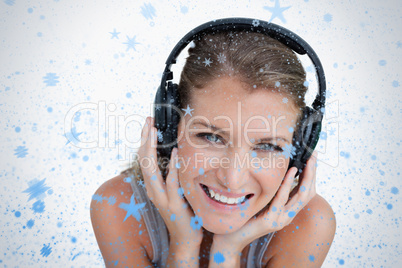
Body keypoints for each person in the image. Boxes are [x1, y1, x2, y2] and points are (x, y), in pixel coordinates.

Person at [90, 23, 336, 268]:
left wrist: (228, 250)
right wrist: (184, 243)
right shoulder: (117, 206)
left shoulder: (309, 222)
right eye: (211, 137)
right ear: (169, 130)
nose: (232, 179)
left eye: (268, 147)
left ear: (299, 152)